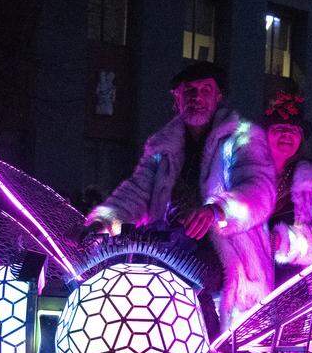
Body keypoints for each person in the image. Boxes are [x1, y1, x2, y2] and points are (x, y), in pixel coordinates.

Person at [86, 61, 275, 335]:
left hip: (227, 253)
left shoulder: (242, 138)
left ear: (218, 96)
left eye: (205, 90)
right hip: (169, 243)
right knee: (125, 280)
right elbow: (137, 191)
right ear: (177, 97)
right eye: (189, 91)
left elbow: (259, 190)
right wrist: (102, 222)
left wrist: (218, 210)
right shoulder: (162, 145)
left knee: (181, 282)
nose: (197, 98)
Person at [257, 88, 312, 285]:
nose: (287, 135)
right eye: (280, 129)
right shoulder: (246, 174)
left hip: (296, 285)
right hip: (249, 279)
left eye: (293, 131)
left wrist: (285, 242)